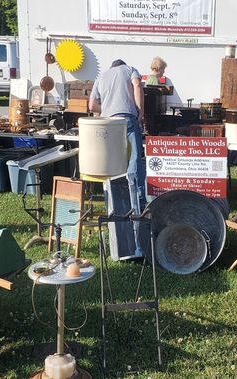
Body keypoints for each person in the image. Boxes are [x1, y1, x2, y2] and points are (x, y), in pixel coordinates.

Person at [88, 59, 146, 256]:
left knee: (114, 165)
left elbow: (92, 105)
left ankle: (115, 202)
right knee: (134, 162)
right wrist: (140, 112)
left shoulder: (101, 76)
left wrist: (106, 109)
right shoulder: (131, 69)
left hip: (108, 123)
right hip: (127, 118)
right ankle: (137, 203)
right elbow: (137, 86)